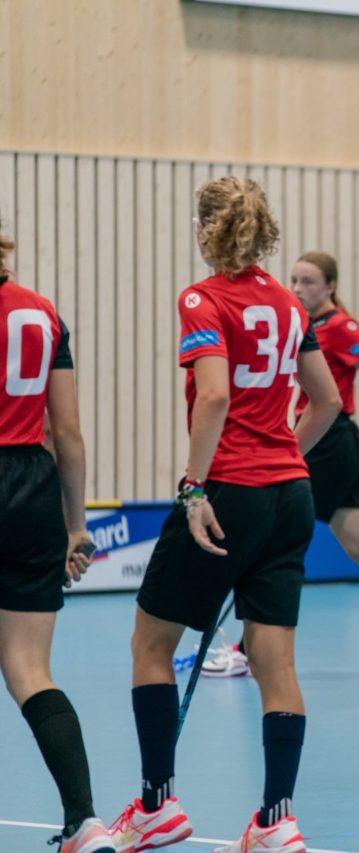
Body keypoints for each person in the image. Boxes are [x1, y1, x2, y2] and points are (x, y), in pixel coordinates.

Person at [107, 177, 341, 853]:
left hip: (228, 490)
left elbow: (213, 396)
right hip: (290, 494)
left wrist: (194, 487)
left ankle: (156, 806)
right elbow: (326, 401)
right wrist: (279, 456)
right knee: (275, 661)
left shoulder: (202, 298)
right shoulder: (290, 305)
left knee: (151, 643)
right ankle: (276, 820)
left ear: (205, 229)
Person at [202, 251, 359, 679]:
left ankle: (246, 651)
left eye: (309, 282)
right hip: (337, 445)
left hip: (329, 444)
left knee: (271, 536)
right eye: (294, 280)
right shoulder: (305, 325)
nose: (298, 289)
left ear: (331, 286)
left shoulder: (340, 327)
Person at [0, 231, 114, 851]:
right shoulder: (42, 313)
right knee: (30, 669)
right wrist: (76, 525)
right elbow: (66, 432)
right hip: (32, 490)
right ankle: (85, 822)